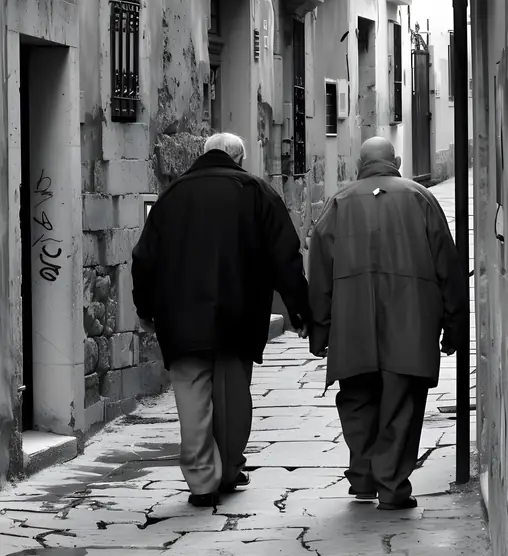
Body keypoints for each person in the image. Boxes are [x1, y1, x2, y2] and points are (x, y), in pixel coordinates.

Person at [132, 133, 310, 508]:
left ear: (203, 154)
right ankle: (228, 468)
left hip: (179, 318)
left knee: (191, 398)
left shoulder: (172, 196)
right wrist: (300, 309)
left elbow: (144, 258)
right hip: (238, 314)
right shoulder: (255, 191)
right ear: (239, 158)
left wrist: (145, 308)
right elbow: (285, 255)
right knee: (231, 398)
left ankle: (201, 481)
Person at [308, 137, 467, 511]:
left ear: (358, 163)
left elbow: (318, 273)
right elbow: (449, 267)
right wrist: (454, 324)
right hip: (410, 325)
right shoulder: (421, 199)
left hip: (352, 327)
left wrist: (320, 328)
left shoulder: (339, 203)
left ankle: (363, 477)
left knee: (357, 399)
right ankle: (392, 486)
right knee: (401, 404)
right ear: (396, 160)